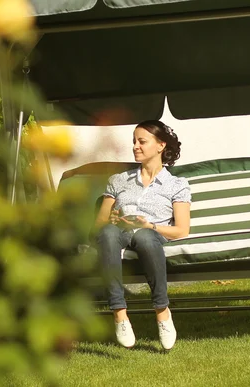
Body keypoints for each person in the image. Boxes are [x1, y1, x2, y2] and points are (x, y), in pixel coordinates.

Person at [93, 120, 191, 350]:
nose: (135, 146)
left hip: (151, 234)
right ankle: (119, 314)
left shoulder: (176, 184)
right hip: (119, 233)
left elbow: (181, 230)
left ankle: (162, 312)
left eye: (142, 141)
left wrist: (151, 226)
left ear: (160, 145)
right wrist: (113, 219)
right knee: (107, 233)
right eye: (134, 142)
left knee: (145, 237)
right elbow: (100, 223)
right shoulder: (118, 180)